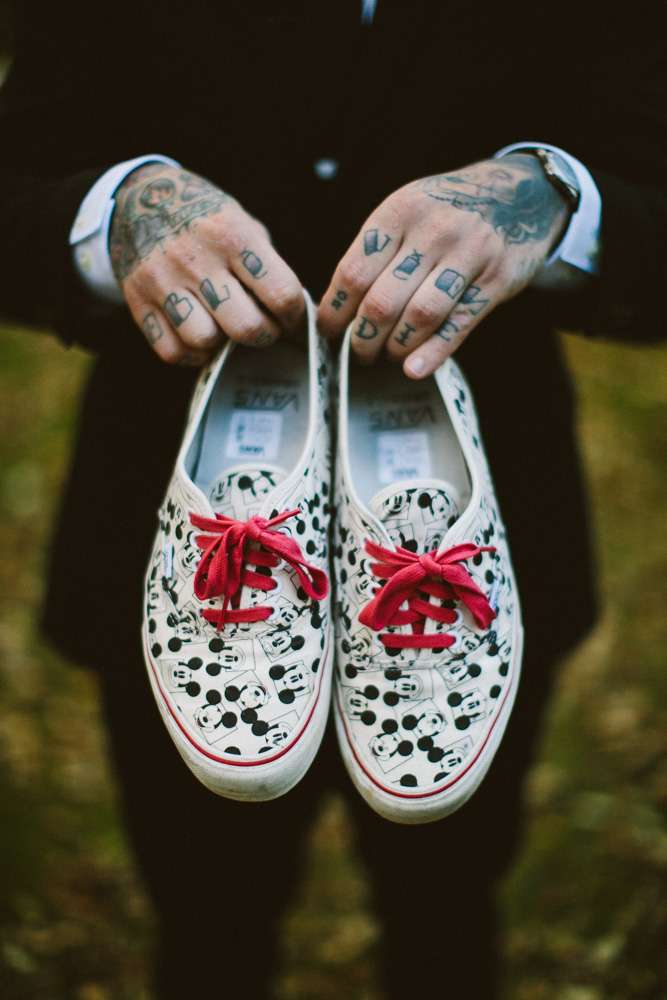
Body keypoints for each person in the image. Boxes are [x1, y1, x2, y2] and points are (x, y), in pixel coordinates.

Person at [0, 1, 664, 996]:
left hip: (483, 530)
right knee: (203, 917)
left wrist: (555, 199)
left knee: (446, 910)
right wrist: (111, 211)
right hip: (167, 503)